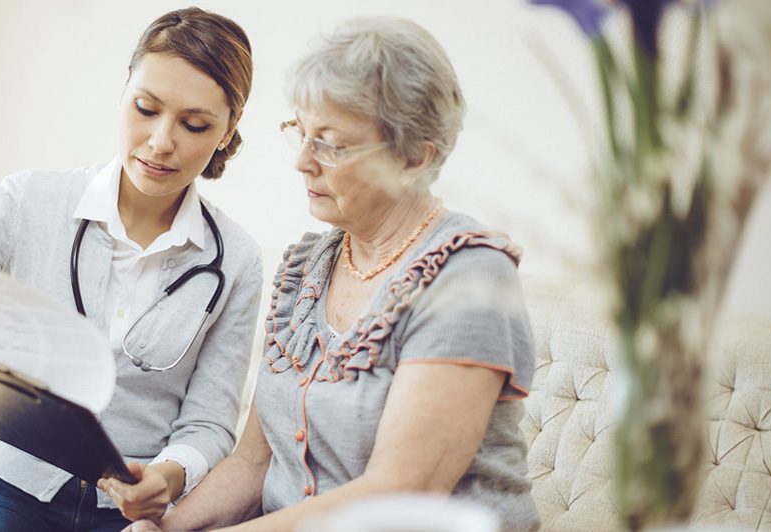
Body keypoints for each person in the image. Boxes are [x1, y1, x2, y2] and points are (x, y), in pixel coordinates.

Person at [0, 8, 263, 532]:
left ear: (227, 131)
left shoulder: (235, 260)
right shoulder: (26, 202)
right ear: (124, 91)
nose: (161, 140)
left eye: (195, 124)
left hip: (128, 517)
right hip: (6, 492)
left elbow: (211, 423)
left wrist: (167, 478)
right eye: (146, 108)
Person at [111, 16, 540, 532]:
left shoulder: (469, 279)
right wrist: (164, 529)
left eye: (331, 144)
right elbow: (254, 464)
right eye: (302, 134)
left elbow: (402, 494)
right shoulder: (308, 269)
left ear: (413, 157)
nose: (303, 163)